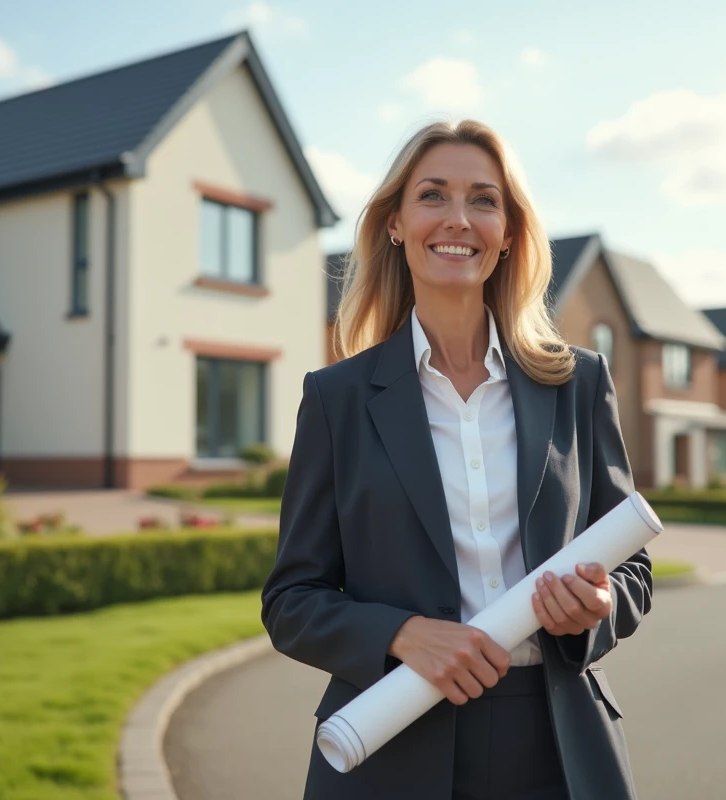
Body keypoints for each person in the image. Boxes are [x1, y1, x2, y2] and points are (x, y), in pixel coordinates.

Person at [261, 119, 653, 800]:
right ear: (395, 223)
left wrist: (598, 605)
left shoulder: (579, 383)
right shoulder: (336, 399)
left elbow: (633, 571)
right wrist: (403, 634)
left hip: (558, 743)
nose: (458, 219)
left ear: (509, 233)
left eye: (484, 200)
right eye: (433, 195)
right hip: (394, 740)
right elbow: (292, 601)